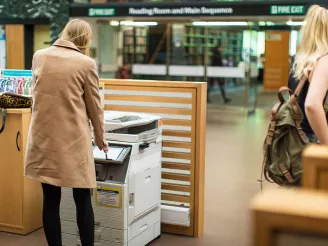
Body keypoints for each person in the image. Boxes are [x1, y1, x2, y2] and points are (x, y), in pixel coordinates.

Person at [24, 19, 108, 246]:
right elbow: (95, 107)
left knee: (50, 200)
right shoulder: (86, 63)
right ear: (85, 39)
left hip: (44, 140)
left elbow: (35, 94)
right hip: (74, 142)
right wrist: (101, 139)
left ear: (66, 33)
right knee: (82, 199)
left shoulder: (39, 56)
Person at [289, 5, 328, 144]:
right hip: (315, 139)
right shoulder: (325, 60)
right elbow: (311, 104)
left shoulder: (298, 60)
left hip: (297, 139)